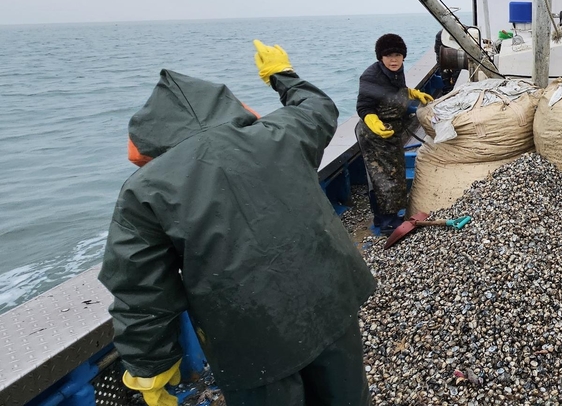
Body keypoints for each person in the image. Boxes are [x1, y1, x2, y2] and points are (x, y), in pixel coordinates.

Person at [100, 40, 376, 406]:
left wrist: (151, 367)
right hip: (332, 305)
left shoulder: (144, 191)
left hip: (250, 341)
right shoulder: (282, 133)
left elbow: (141, 290)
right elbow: (318, 108)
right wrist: (282, 75)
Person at [356, 33, 433, 235]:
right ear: (380, 57)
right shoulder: (370, 76)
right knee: (383, 177)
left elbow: (395, 89)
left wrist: (412, 93)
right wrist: (373, 122)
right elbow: (364, 107)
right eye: (388, 55)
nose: (393, 60)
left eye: (397, 55)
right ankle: (387, 222)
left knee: (395, 174)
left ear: (403, 56)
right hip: (374, 134)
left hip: (392, 132)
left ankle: (386, 216)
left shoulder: (397, 71)